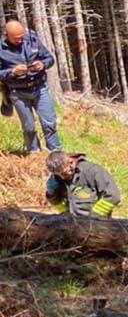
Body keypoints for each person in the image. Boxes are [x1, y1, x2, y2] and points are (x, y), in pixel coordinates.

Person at [0, 19, 61, 155]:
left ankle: (56, 152)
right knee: (29, 127)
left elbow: (49, 58)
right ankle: (34, 153)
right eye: (16, 39)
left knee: (49, 123)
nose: (20, 40)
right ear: (6, 35)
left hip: (39, 88)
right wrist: (12, 72)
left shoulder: (32, 39)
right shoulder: (1, 49)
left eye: (21, 37)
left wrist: (42, 64)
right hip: (17, 92)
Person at [45, 151, 120, 218]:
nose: (62, 177)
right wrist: (52, 195)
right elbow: (59, 203)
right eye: (59, 175)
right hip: (73, 223)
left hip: (96, 223)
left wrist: (94, 217)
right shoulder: (56, 178)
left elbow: (113, 196)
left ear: (71, 162)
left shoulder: (92, 171)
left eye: (64, 173)